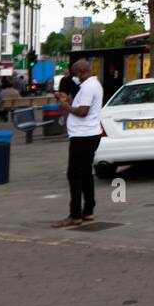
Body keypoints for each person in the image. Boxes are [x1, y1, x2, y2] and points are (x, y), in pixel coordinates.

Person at [53, 59, 103, 228]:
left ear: (82, 72)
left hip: (83, 135)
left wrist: (65, 105)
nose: (76, 78)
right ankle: (88, 210)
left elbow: (83, 111)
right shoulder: (94, 84)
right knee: (86, 172)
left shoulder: (88, 87)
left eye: (76, 75)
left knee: (74, 175)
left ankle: (75, 215)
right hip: (90, 133)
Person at [58, 66, 80, 132]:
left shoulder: (65, 79)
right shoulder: (71, 79)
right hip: (67, 98)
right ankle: (67, 128)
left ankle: (65, 128)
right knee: (68, 113)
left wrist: (61, 96)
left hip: (65, 97)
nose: (66, 73)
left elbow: (60, 89)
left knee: (65, 113)